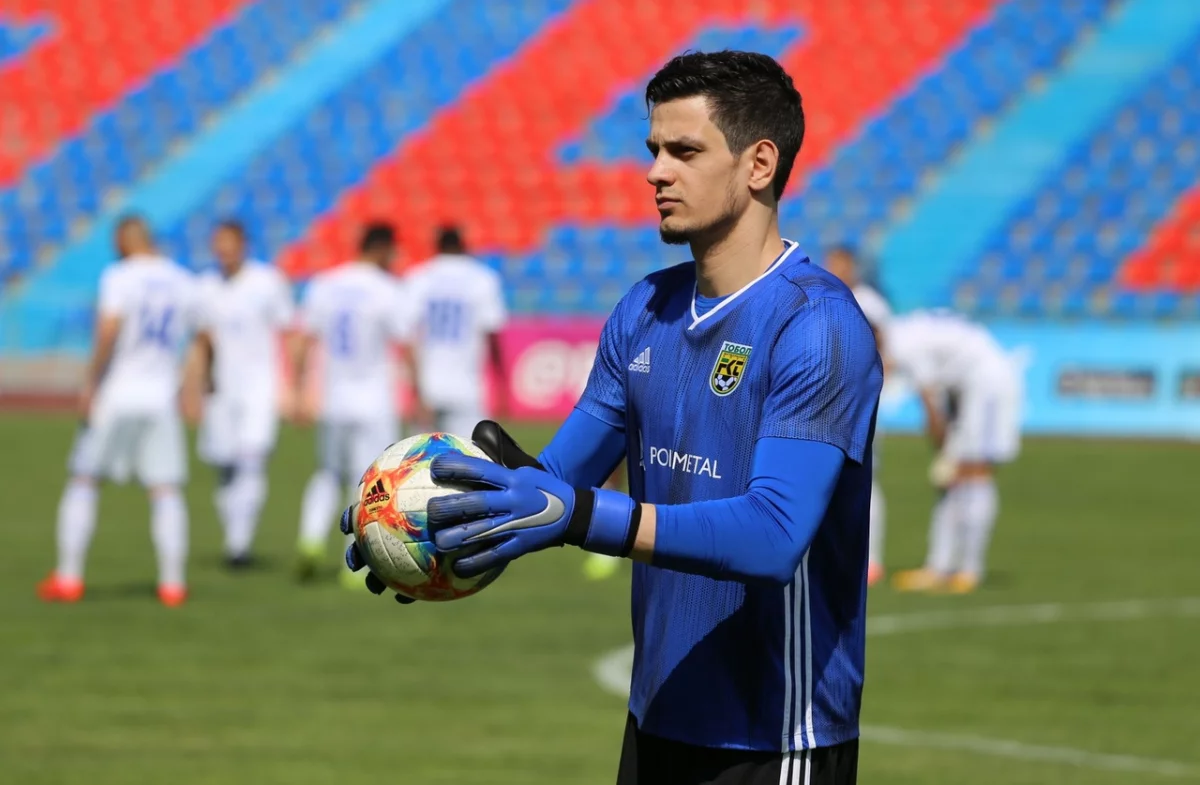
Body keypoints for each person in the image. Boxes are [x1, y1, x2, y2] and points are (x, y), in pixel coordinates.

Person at [345, 51, 882, 784]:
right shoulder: (644, 309)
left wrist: (577, 516)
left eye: (684, 151)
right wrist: (425, 523)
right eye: (654, 150)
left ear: (760, 163)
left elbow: (772, 536)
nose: (656, 172)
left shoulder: (816, 324)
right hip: (655, 719)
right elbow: (553, 481)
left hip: (775, 737)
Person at [38, 215, 198, 606]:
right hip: (161, 396)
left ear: (125, 241)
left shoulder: (120, 276)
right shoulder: (182, 280)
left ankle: (69, 577)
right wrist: (191, 388)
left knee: (84, 480)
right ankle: (173, 584)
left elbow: (109, 328)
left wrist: (91, 381)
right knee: (165, 489)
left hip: (118, 393)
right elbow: (197, 338)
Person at [292, 222, 411, 585]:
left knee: (327, 472)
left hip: (334, 400)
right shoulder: (387, 289)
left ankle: (310, 539)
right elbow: (406, 343)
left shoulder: (325, 285)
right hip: (373, 402)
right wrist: (418, 390)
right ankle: (354, 565)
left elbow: (302, 341)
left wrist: (298, 390)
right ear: (382, 249)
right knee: (369, 484)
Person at [886, 310, 1022, 594]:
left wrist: (942, 450)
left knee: (975, 472)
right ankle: (939, 567)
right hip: (967, 387)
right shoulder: (903, 332)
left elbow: (931, 409)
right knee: (950, 480)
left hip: (987, 383)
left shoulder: (903, 346)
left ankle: (970, 569)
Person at [191, 220, 294, 568]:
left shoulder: (267, 282)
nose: (224, 249)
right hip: (221, 391)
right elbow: (202, 341)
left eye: (229, 242)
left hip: (258, 388)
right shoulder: (205, 287)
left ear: (243, 245)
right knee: (224, 467)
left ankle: (239, 544)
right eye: (218, 243)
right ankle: (233, 537)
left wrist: (291, 385)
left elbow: (287, 332)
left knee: (251, 461)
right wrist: (195, 384)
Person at [825, 245, 891, 586]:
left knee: (863, 474)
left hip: (859, 396)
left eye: (839, 263)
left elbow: (884, 348)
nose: (833, 268)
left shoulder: (868, 302)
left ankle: (871, 559)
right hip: (829, 397)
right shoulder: (823, 293)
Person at [402, 224, 508, 436]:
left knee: (423, 455)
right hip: (467, 387)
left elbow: (406, 337)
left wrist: (416, 391)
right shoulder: (483, 278)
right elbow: (492, 334)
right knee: (470, 454)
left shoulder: (418, 277)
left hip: (428, 386)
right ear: (463, 245)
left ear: (437, 246)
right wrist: (502, 380)